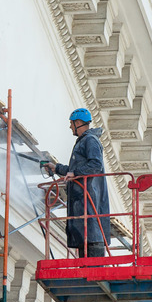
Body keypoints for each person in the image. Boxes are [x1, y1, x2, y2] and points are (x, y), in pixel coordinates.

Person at [43, 108, 111, 257]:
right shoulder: (85, 141)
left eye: (71, 123)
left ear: (78, 123)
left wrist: (75, 173)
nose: (70, 127)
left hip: (89, 205)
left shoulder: (90, 140)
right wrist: (57, 168)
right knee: (84, 242)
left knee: (90, 241)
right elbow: (76, 168)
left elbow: (95, 165)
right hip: (83, 207)